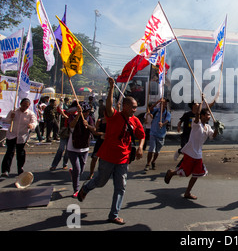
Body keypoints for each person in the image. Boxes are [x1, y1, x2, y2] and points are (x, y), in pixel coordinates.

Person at [77, 77, 145, 225]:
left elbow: (142, 135)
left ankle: (113, 214)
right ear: (125, 107)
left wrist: (140, 147)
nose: (134, 110)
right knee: (100, 182)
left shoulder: (135, 121)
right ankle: (86, 187)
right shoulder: (114, 116)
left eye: (135, 107)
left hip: (123, 159)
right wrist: (112, 88)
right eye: (132, 107)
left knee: (120, 187)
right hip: (107, 157)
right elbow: (108, 106)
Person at [164, 106, 219, 200]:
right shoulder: (196, 122)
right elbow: (197, 115)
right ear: (202, 116)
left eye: (209, 115)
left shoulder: (208, 127)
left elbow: (212, 136)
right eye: (207, 115)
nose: (209, 116)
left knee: (197, 174)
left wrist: (217, 128)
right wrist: (201, 101)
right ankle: (171, 173)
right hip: (190, 152)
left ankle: (187, 192)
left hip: (198, 153)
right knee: (185, 173)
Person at [1, 98, 37, 177]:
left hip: (22, 136)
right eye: (23, 105)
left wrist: (31, 126)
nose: (24, 107)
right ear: (20, 104)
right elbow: (7, 120)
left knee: (20, 153)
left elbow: (34, 122)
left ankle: (20, 168)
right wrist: (11, 117)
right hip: (12, 135)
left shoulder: (30, 114)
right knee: (10, 152)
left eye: (26, 106)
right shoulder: (13, 111)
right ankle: (5, 170)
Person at [67, 102, 96, 198]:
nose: (86, 114)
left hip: (84, 147)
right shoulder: (73, 117)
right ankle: (76, 189)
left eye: (88, 112)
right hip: (73, 147)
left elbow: (94, 130)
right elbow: (71, 125)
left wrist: (88, 125)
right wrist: (78, 116)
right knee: (77, 169)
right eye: (84, 112)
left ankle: (74, 172)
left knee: (81, 170)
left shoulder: (89, 119)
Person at [145, 98, 171, 170]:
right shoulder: (156, 111)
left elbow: (167, 121)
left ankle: (153, 161)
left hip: (161, 134)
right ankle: (148, 164)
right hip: (153, 133)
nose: (163, 105)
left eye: (164, 103)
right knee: (151, 149)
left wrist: (162, 124)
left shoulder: (167, 113)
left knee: (157, 151)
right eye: (162, 103)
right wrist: (157, 101)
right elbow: (150, 110)